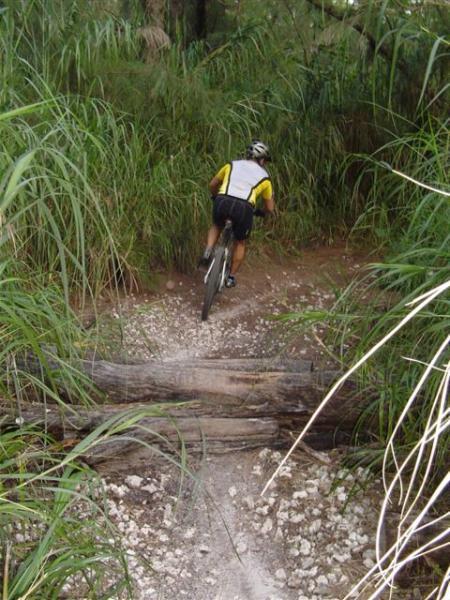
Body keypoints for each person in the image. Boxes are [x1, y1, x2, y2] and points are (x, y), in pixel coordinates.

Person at [199, 140, 275, 288]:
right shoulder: (265, 178)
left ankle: (208, 250)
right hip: (244, 207)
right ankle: (231, 277)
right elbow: (270, 208)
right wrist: (261, 212)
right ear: (261, 159)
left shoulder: (231, 164)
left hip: (223, 200)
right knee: (240, 242)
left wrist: (216, 196)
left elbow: (213, 184)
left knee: (217, 225)